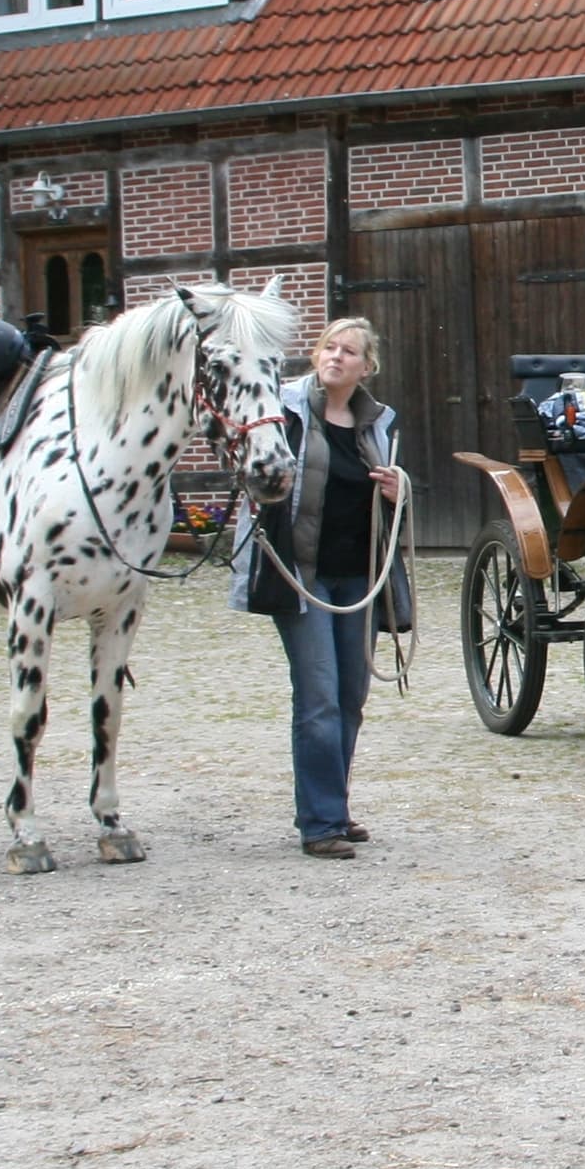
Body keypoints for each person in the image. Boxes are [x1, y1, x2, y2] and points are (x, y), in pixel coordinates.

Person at [242, 315, 403, 857]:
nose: (336, 357)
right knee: (318, 698)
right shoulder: (282, 412)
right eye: (329, 347)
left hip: (358, 575)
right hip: (300, 575)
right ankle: (321, 824)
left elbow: (393, 499)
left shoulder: (376, 424)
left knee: (350, 696)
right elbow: (253, 469)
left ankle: (331, 804)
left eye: (349, 351)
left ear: (367, 366)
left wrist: (397, 490)